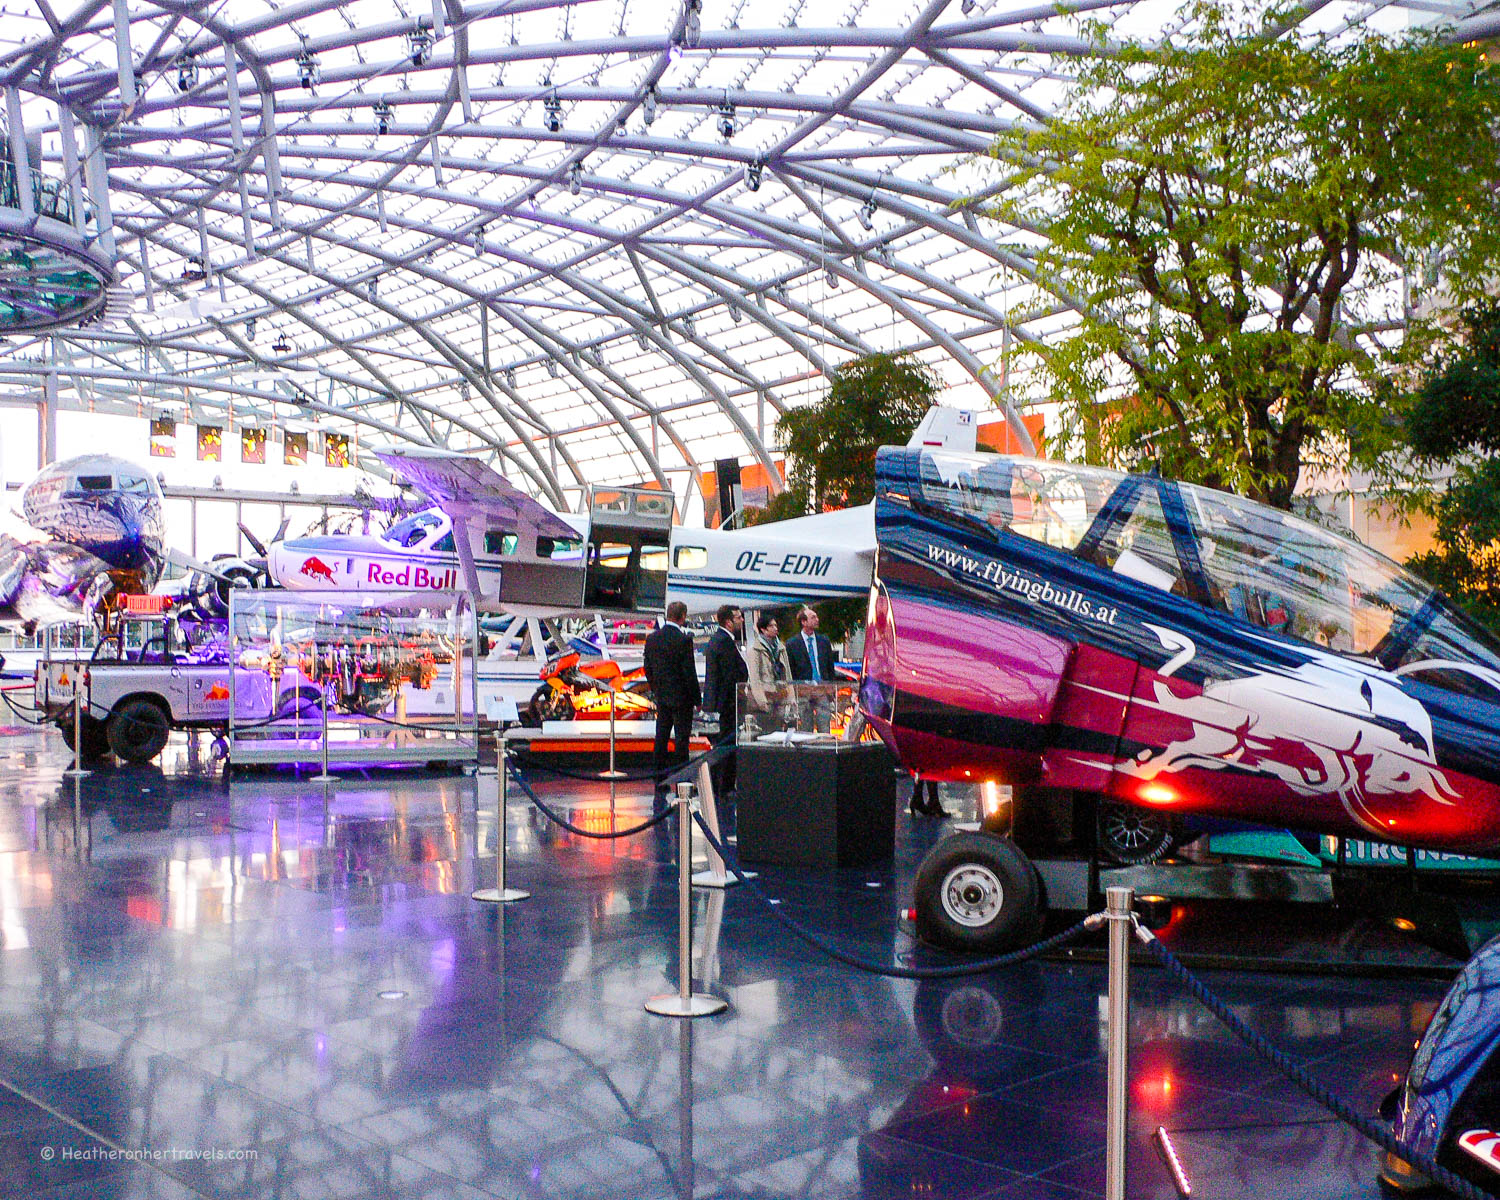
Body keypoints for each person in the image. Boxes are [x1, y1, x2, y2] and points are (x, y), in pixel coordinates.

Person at [643, 601, 700, 808]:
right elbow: (689, 673)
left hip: (662, 697)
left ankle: (659, 780)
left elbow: (647, 667)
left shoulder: (652, 639)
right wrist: (697, 699)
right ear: (682, 616)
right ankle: (682, 781)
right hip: (682, 698)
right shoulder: (684, 640)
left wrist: (656, 688)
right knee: (681, 740)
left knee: (661, 737)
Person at [702, 604, 747, 802]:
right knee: (726, 746)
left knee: (724, 745)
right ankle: (724, 787)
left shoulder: (721, 641)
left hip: (725, 704)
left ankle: (721, 785)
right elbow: (729, 677)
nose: (741, 620)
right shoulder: (723, 642)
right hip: (728, 705)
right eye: (738, 617)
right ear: (728, 621)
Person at [746, 612, 792, 707]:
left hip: (781, 695)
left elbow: (788, 675)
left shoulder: (781, 648)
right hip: (766, 696)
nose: (775, 628)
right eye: (771, 626)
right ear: (763, 629)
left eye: (775, 625)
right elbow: (755, 679)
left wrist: (791, 697)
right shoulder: (755, 650)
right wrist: (762, 702)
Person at [786, 606, 835, 683]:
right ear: (803, 622)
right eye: (813, 617)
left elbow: (830, 667)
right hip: (803, 688)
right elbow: (791, 670)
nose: (817, 620)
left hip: (824, 686)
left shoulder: (824, 641)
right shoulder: (792, 644)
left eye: (817, 617)